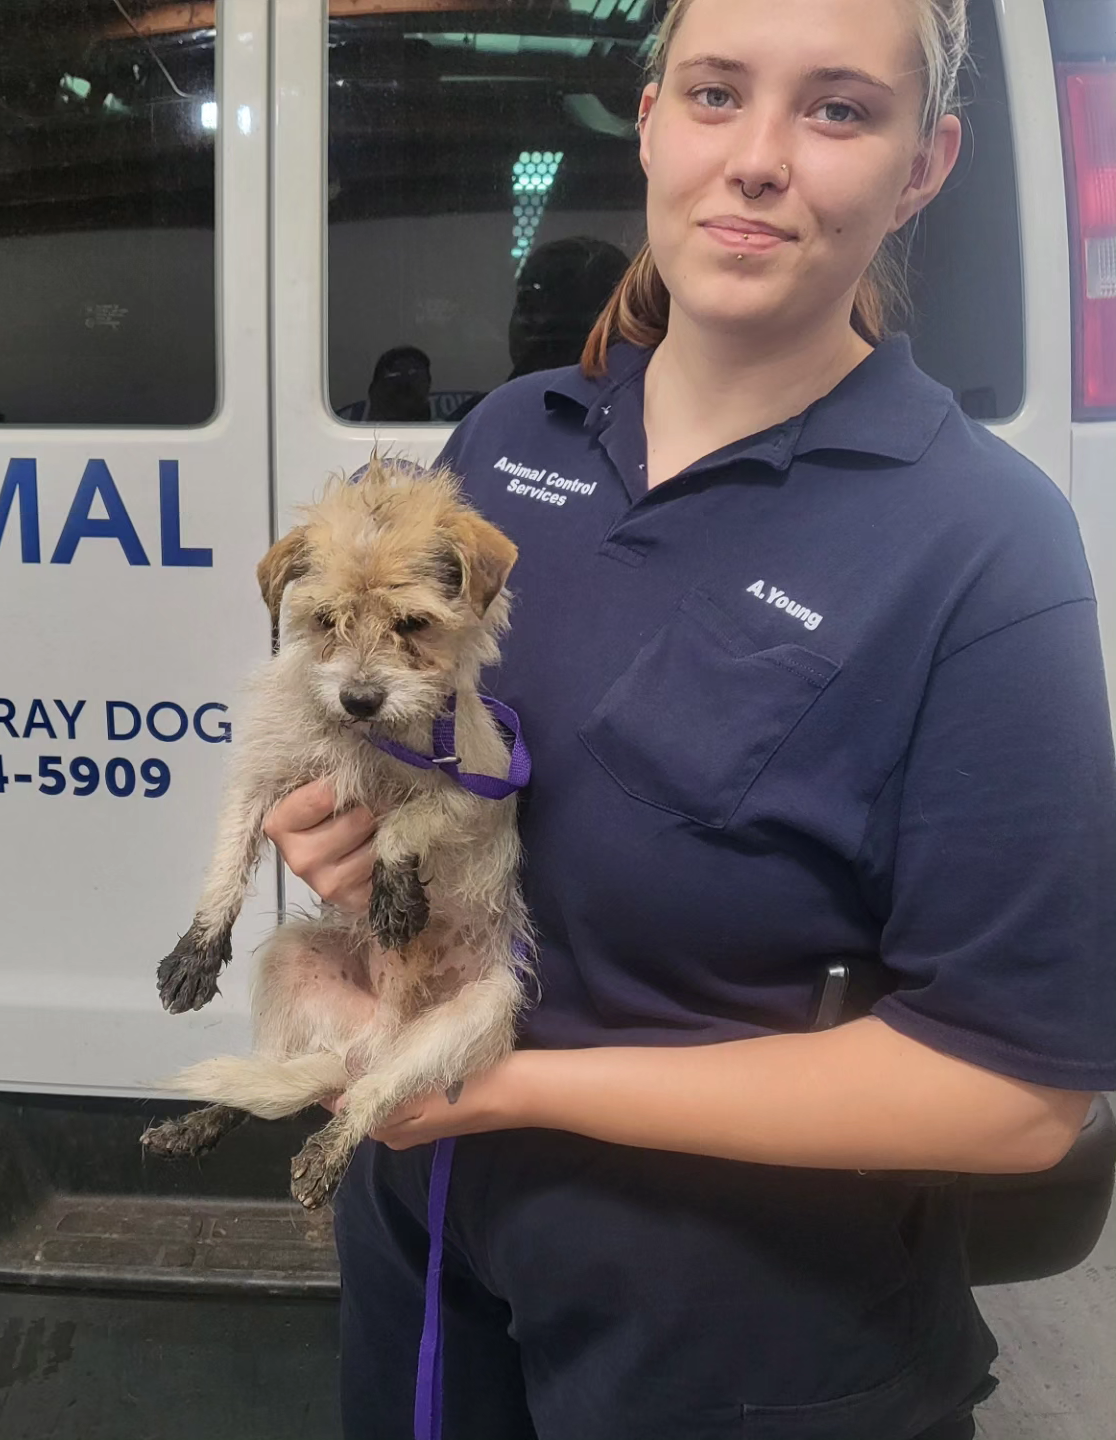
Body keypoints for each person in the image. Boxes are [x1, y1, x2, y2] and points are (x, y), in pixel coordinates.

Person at [264, 0, 1116, 1436]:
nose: (761, 158)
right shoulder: (509, 445)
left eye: (840, 110)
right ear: (651, 119)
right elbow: (428, 763)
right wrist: (350, 844)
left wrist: (511, 1091)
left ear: (925, 165)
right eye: (718, 93)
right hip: (429, 1239)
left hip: (741, 1326)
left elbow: (1009, 1090)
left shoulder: (979, 541)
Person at [450, 236, 632, 421]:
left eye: (562, 309)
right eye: (526, 303)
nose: (535, 322)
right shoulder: (481, 421)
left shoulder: (481, 420)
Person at [362, 345, 434, 423]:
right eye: (395, 375)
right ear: (374, 391)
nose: (405, 381)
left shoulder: (442, 431)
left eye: (415, 375)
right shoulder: (354, 432)